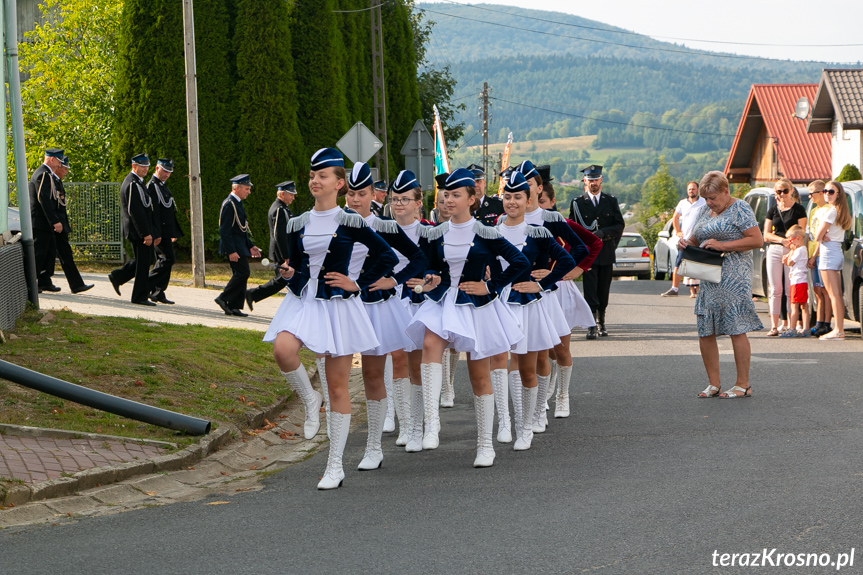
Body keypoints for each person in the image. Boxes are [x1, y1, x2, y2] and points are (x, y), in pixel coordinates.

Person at [264, 148, 397, 489]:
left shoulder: (350, 222)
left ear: (338, 184)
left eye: (322, 176)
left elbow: (385, 256)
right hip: (304, 301)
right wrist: (289, 271)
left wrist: (359, 284)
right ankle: (310, 398)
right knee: (283, 349)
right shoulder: (297, 223)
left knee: (338, 385)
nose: (314, 181)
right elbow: (296, 264)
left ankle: (335, 466)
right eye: (312, 176)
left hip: (338, 307)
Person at [405, 168, 529, 466]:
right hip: (444, 301)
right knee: (430, 344)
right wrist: (429, 279)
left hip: (476, 307)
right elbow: (432, 267)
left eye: (456, 195)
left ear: (472, 199)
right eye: (446, 195)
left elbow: (519, 262)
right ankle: (431, 422)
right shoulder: (436, 233)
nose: (449, 200)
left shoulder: (486, 233)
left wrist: (491, 285)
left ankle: (485, 445)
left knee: (478, 375)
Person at [343, 164, 427, 468]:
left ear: (371, 196)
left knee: (384, 369)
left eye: (360, 194)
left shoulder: (384, 226)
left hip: (380, 304)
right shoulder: (335, 223)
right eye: (351, 193)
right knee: (341, 373)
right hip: (343, 306)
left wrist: (395, 279)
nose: (354, 199)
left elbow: (419, 258)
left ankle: (382, 443)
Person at [495, 171, 576, 450]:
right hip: (498, 305)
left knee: (527, 368)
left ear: (529, 199)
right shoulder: (491, 232)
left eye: (518, 197)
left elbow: (565, 261)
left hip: (527, 306)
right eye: (507, 197)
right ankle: (510, 421)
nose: (512, 202)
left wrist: (542, 284)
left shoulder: (538, 232)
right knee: (505, 366)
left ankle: (527, 425)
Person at [679, 171, 763, 399]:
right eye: (706, 198)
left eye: (713, 197)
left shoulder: (741, 208)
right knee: (705, 330)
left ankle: (743, 384)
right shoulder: (706, 210)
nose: (709, 202)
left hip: (734, 276)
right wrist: (686, 243)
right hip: (708, 276)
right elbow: (696, 238)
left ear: (726, 191)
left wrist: (724, 245)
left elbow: (757, 239)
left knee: (736, 328)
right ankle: (713, 384)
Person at [535, 168, 602, 418]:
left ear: (552, 201)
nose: (538, 205)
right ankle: (544, 391)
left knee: (560, 348)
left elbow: (593, 244)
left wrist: (578, 268)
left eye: (542, 201)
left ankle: (563, 395)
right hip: (533, 290)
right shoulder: (522, 223)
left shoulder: (563, 223)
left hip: (559, 289)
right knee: (541, 348)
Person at [569, 164, 625, 338]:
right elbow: (572, 228)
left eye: (596, 179)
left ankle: (602, 322)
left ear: (601, 180)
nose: (593, 182)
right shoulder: (577, 203)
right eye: (590, 179)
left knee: (603, 289)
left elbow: (619, 225)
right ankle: (591, 324)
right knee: (590, 289)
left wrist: (602, 233)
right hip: (588, 254)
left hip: (606, 251)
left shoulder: (611, 201)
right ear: (584, 180)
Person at [108, 153, 160, 306]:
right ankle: (139, 296)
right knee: (144, 263)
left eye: (146, 166)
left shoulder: (138, 182)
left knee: (147, 260)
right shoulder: (132, 183)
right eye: (142, 166)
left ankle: (118, 276)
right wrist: (146, 234)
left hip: (141, 230)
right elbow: (135, 212)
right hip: (137, 231)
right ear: (134, 166)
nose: (145, 169)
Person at [762, 178, 807, 336]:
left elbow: (801, 233)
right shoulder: (773, 210)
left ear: (791, 191)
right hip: (775, 248)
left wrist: (792, 249)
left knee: (790, 288)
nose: (782, 194)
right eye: (778, 192)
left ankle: (790, 324)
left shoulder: (799, 209)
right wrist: (781, 240)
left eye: (785, 191)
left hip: (792, 250)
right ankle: (774, 325)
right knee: (775, 289)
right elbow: (766, 235)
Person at [214, 175, 262, 317]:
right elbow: (225, 230)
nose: (249, 192)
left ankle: (234, 306)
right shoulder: (229, 203)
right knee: (243, 273)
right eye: (246, 189)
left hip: (240, 246)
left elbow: (242, 229)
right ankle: (223, 298)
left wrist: (251, 245)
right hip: (234, 247)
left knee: (241, 274)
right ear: (237, 188)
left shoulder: (238, 203)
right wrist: (231, 251)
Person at [245, 181, 295, 310]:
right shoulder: (279, 209)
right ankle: (252, 294)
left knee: (284, 279)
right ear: (282, 194)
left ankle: (253, 294)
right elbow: (279, 235)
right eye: (291, 195)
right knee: (283, 279)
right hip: (280, 252)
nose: (293, 198)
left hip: (282, 251)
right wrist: (286, 256)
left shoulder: (283, 207)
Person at [812, 181, 852, 341]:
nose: (827, 193)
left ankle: (838, 330)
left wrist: (821, 235)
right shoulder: (841, 212)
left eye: (831, 191)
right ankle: (839, 328)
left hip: (828, 253)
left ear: (838, 194)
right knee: (836, 294)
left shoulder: (831, 212)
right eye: (825, 191)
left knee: (833, 294)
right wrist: (823, 235)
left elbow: (816, 236)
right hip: (836, 252)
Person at [51, 155, 93, 294]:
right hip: (55, 226)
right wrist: (56, 222)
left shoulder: (57, 181)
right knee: (50, 255)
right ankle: (43, 282)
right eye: (65, 168)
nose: (66, 172)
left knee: (64, 254)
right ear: (58, 167)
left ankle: (76, 284)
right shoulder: (51, 180)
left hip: (60, 225)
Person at [28, 148, 66, 293]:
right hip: (40, 221)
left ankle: (44, 281)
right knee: (39, 254)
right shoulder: (43, 174)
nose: (59, 165)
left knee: (49, 252)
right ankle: (31, 284)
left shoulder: (47, 174)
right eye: (58, 161)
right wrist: (54, 220)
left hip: (45, 222)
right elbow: (43, 199)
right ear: (51, 159)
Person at [146, 159, 184, 305]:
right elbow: (154, 213)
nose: (167, 174)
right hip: (159, 231)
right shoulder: (153, 186)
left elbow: (169, 210)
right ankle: (146, 284)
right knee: (167, 259)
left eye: (169, 171)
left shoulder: (162, 186)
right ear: (156, 168)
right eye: (165, 170)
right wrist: (156, 233)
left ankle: (158, 291)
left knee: (167, 260)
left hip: (166, 231)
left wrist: (172, 231)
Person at [661, 181, 706, 297]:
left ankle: (701, 291)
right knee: (679, 263)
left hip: (699, 239)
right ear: (687, 190)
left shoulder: (703, 202)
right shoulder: (682, 203)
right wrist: (678, 231)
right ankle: (674, 289)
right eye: (690, 189)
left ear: (698, 190)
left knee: (699, 264)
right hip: (685, 240)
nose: (692, 191)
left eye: (694, 189)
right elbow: (675, 217)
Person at [806, 180, 832, 337]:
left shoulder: (827, 210)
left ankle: (827, 323)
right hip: (812, 253)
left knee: (825, 290)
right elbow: (810, 234)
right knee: (817, 290)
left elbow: (821, 236)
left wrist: (814, 255)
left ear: (822, 193)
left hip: (821, 253)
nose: (810, 197)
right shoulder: (814, 211)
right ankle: (819, 322)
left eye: (812, 194)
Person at [780, 225, 810, 337]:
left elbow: (789, 263)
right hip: (801, 280)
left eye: (791, 240)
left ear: (798, 238)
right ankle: (806, 328)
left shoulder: (799, 250)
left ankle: (792, 328)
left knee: (794, 305)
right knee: (804, 305)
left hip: (797, 281)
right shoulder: (803, 250)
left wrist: (790, 253)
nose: (790, 243)